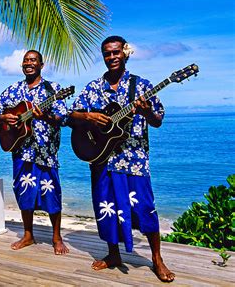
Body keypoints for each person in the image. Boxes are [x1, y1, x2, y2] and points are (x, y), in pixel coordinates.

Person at [68, 35, 175, 282]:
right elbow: (70, 116)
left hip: (134, 160)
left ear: (125, 53)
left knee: (145, 208)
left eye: (116, 52)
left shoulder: (142, 85)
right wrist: (90, 117)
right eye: (107, 53)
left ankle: (156, 259)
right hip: (101, 158)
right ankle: (113, 254)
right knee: (106, 209)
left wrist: (147, 111)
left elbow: (158, 120)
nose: (112, 57)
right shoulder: (93, 88)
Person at [0, 50, 69, 255]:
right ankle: (28, 234)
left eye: (33, 60)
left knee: (51, 193)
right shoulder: (13, 90)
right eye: (26, 60)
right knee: (23, 192)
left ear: (41, 65)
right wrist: (5, 118)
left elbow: (62, 118)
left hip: (46, 151)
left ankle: (56, 237)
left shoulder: (54, 89)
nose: (29, 63)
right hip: (21, 150)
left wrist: (46, 117)